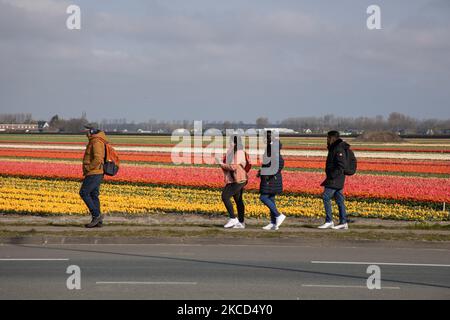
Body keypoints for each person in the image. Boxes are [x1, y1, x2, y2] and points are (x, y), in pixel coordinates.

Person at [318, 130, 349, 230]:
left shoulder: (338, 148)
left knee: (326, 196)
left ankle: (329, 221)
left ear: (332, 138)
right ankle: (343, 222)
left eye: (327, 137)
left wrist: (332, 175)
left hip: (335, 179)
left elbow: (341, 165)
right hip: (336, 178)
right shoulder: (334, 148)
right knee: (339, 200)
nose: (326, 139)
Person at [80, 125, 107, 228]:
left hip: (94, 172)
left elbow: (98, 158)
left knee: (84, 192)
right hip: (96, 172)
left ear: (92, 132)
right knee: (93, 194)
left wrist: (89, 168)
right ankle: (98, 222)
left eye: (87, 132)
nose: (85, 134)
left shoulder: (96, 142)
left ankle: (96, 215)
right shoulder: (95, 140)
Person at [258, 131, 286, 230]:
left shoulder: (274, 147)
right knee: (271, 199)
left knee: (263, 197)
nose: (263, 140)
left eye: (264, 138)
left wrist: (268, 173)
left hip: (271, 179)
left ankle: (278, 216)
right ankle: (274, 223)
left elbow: (280, 162)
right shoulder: (271, 147)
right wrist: (261, 171)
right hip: (270, 177)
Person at [218, 135, 248, 229]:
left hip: (239, 179)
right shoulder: (232, 151)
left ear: (235, 143)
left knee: (225, 196)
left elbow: (233, 166)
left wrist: (221, 164)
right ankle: (241, 222)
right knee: (238, 200)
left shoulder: (239, 152)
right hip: (235, 179)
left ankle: (233, 218)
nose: (229, 143)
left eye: (231, 142)